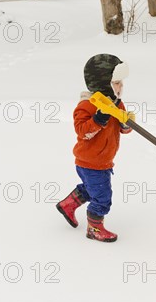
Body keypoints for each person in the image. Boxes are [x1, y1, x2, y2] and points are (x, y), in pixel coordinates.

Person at [56, 54, 134, 242]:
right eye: (116, 82)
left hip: (103, 160)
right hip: (90, 162)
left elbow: (122, 129)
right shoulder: (87, 106)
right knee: (102, 197)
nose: (120, 86)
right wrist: (98, 120)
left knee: (92, 189)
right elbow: (83, 131)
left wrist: (126, 124)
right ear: (102, 82)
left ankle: (68, 205)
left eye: (121, 82)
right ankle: (94, 229)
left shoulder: (116, 104)